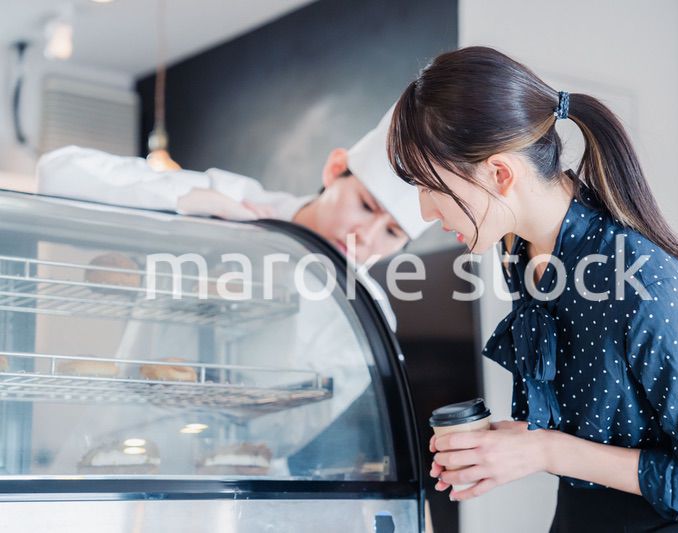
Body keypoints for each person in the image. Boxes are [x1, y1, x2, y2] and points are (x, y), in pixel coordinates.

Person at [387, 46, 678, 532]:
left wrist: (545, 449)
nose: (425, 213)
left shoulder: (642, 282)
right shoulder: (519, 253)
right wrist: (513, 446)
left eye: (430, 186)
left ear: (500, 174)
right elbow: (602, 419)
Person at [38, 109, 431, 484]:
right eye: (365, 206)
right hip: (116, 449)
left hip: (235, 479)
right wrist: (189, 204)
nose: (367, 236)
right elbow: (57, 173)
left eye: (392, 234)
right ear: (334, 169)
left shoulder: (364, 311)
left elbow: (295, 429)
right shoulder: (231, 198)